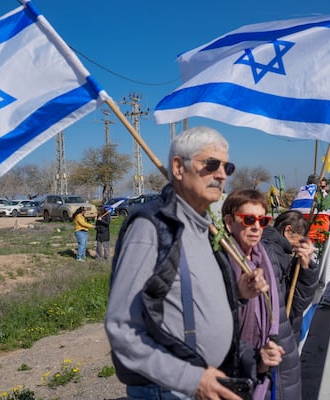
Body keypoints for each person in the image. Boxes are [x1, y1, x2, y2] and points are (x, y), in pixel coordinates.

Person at [105, 126, 270, 400]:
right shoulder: (153, 226)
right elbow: (122, 328)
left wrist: (239, 292)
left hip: (204, 382)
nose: (221, 174)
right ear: (179, 168)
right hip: (169, 389)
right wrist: (191, 379)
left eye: (227, 168)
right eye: (211, 165)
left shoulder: (203, 227)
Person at [221, 189, 286, 400]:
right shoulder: (219, 264)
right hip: (229, 374)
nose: (257, 227)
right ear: (229, 223)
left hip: (259, 369)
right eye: (249, 219)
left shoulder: (264, 258)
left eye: (263, 220)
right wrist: (238, 293)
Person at [261, 210, 318, 343]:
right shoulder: (278, 256)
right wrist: (305, 268)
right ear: (288, 230)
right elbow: (296, 305)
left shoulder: (269, 247)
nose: (299, 244)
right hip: (279, 338)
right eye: (300, 238)